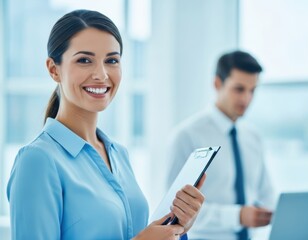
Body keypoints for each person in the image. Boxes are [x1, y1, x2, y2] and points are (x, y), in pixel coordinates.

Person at [6, 9, 205, 240]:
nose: (101, 74)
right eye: (84, 60)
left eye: (111, 60)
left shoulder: (119, 154)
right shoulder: (37, 160)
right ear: (53, 69)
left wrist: (177, 227)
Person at [166, 50, 275, 240]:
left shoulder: (254, 138)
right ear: (217, 83)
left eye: (252, 90)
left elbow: (267, 195)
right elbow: (173, 209)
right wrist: (237, 216)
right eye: (239, 89)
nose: (246, 99)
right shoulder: (187, 136)